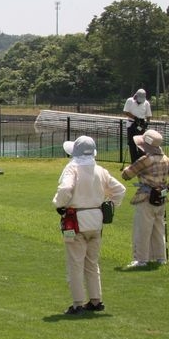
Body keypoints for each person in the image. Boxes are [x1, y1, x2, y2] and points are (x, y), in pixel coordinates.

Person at [52, 135, 125, 315]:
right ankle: (95, 300)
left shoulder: (73, 169)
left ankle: (77, 302)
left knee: (75, 263)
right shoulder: (100, 170)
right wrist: (109, 205)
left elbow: (65, 189)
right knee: (92, 262)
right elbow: (119, 190)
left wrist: (59, 204)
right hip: (96, 219)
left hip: (76, 219)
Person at [120, 129, 169, 268]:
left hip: (145, 197)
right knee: (158, 229)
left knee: (142, 229)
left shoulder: (145, 160)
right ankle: (161, 257)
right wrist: (167, 190)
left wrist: (126, 169)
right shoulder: (165, 159)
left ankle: (141, 259)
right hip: (161, 197)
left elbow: (126, 175)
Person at [122, 88, 152, 162]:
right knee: (132, 144)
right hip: (131, 123)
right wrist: (135, 118)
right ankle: (134, 162)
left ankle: (140, 162)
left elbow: (148, 115)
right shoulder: (130, 100)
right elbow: (126, 111)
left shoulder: (146, 103)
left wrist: (146, 123)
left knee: (141, 144)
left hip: (141, 125)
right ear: (136, 96)